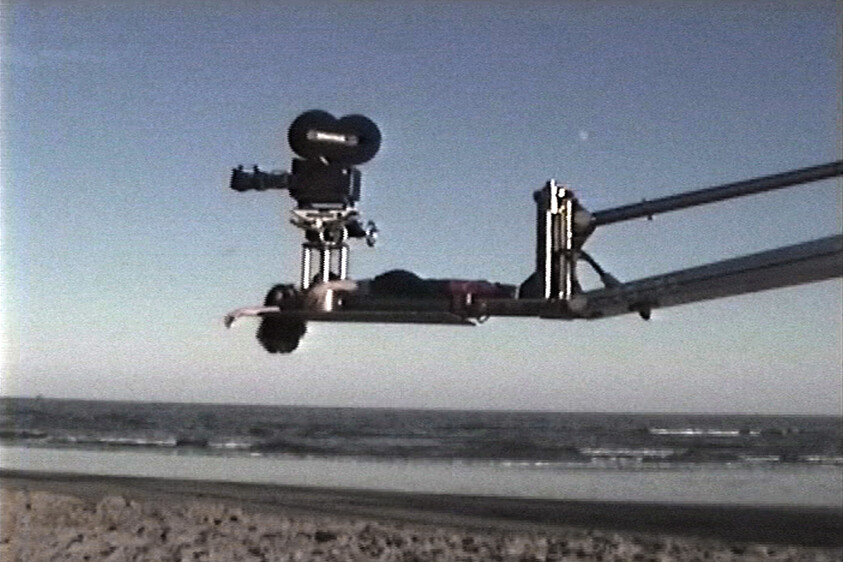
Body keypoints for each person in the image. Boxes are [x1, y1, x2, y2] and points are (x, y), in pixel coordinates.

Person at [225, 270, 515, 353]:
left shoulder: (310, 298)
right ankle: (497, 290)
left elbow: (272, 309)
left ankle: (497, 290)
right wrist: (245, 312)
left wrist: (243, 312)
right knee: (434, 290)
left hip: (383, 286)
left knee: (433, 289)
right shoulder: (300, 308)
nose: (286, 295)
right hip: (385, 289)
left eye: (284, 290)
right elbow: (272, 310)